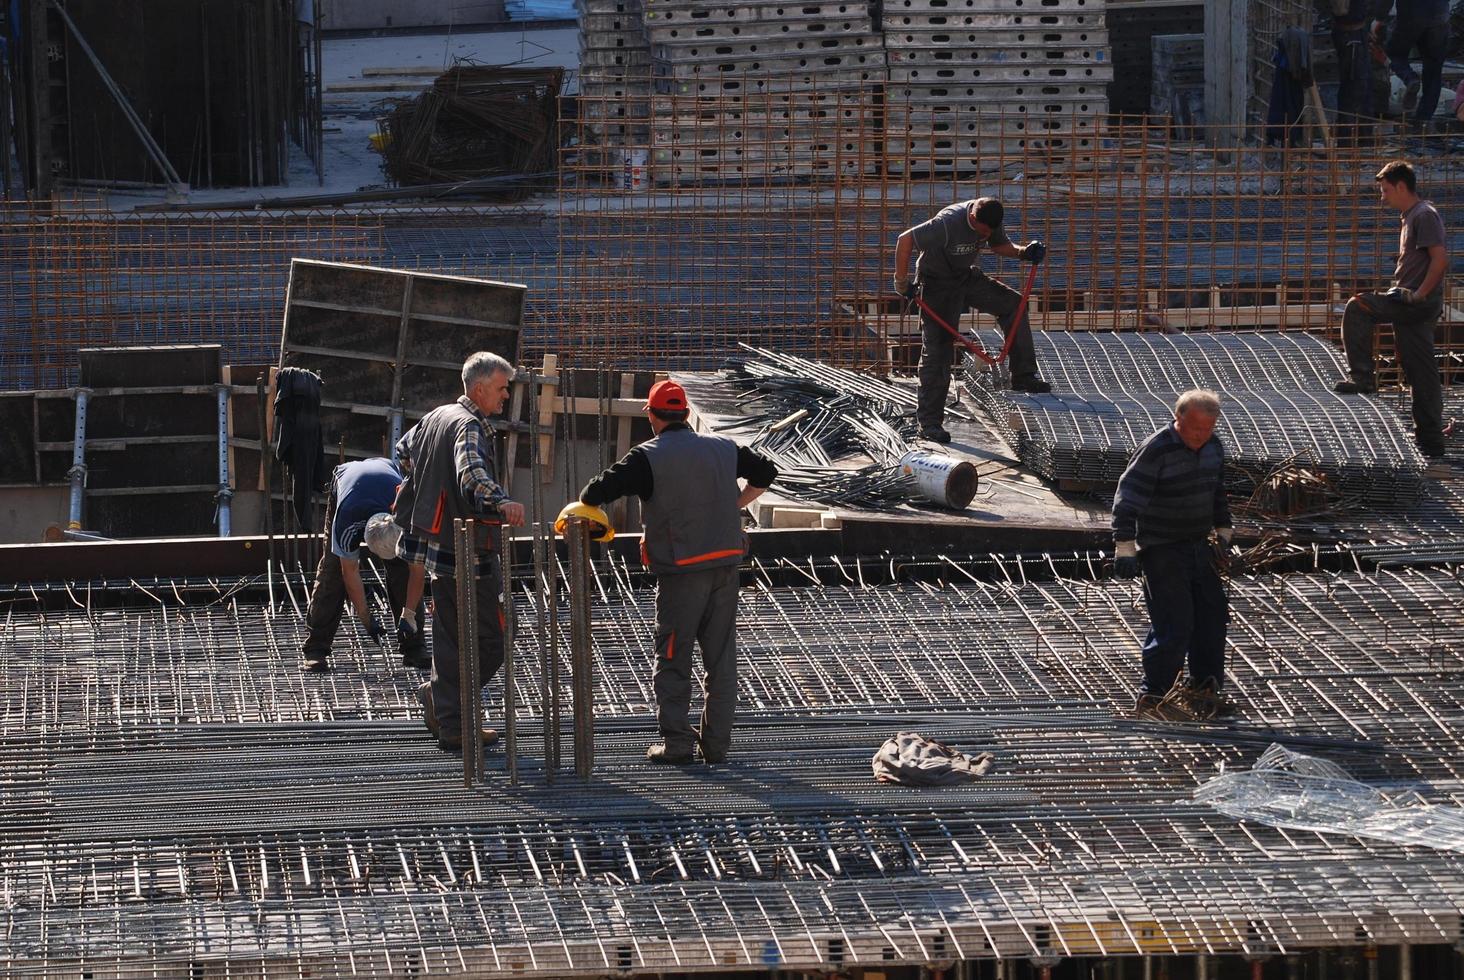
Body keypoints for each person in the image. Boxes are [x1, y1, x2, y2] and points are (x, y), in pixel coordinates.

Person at [577, 379, 777, 764]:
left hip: (681, 575)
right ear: (685, 414)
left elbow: (593, 493)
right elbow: (766, 472)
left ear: (652, 415)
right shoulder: (723, 448)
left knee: (672, 656)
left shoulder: (646, 457)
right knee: (721, 659)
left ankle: (678, 744)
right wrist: (730, 505)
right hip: (725, 566)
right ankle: (716, 746)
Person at [393, 352, 526, 753]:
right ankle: (445, 699)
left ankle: (450, 720)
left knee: (451, 638)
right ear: (480, 388)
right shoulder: (468, 425)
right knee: (497, 635)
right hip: (468, 553)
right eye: (502, 388)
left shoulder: (437, 416)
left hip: (439, 551)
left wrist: (430, 489)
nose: (506, 397)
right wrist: (502, 501)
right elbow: (472, 475)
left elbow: (402, 453)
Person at [1112, 390, 1235, 721]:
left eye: (1208, 429)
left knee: (1212, 617)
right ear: (1178, 419)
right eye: (1196, 428)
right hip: (1162, 548)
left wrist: (1223, 531)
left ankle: (1203, 688)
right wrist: (1125, 547)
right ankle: (1154, 696)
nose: (1201, 436)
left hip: (1198, 545)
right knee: (1175, 623)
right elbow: (1127, 498)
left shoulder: (1213, 448)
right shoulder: (1157, 450)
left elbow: (1216, 491)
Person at [893, 196, 1051, 444]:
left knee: (1014, 304)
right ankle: (929, 423)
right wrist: (902, 283)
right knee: (938, 350)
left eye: (990, 230)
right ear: (973, 218)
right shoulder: (947, 223)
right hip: (936, 285)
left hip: (964, 277)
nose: (986, 235)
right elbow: (905, 239)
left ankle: (1023, 375)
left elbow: (999, 245)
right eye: (983, 230)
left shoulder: (989, 216)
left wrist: (1024, 252)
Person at [1333, 160, 1449, 459]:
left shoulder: (1423, 215)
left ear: (1400, 186)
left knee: (1358, 307)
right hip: (1409, 302)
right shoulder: (1412, 215)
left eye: (1385, 190)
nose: (1382, 196)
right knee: (1420, 369)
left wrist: (1419, 295)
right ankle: (1431, 442)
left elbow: (1439, 261)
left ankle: (1362, 376)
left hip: (1414, 303)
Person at [301, 457, 428, 673]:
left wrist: (409, 615)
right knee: (332, 573)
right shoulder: (348, 521)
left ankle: (414, 645)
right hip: (347, 483)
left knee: (403, 572)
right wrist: (366, 618)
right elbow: (349, 572)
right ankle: (316, 648)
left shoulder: (406, 514)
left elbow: (417, 572)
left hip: (385, 479)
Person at [1382, 0, 1450, 129]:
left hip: (1410, 15)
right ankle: (1422, 121)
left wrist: (1380, 18)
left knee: (1394, 54)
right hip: (1440, 17)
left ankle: (1410, 78)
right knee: (1434, 72)